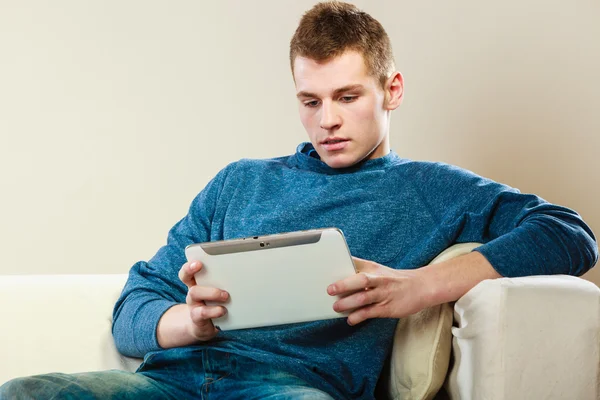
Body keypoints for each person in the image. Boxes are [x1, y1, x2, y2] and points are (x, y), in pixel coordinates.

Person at [1, 1, 597, 399]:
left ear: (392, 90)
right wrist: (188, 322)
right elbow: (135, 304)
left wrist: (418, 286)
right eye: (311, 101)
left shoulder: (431, 189)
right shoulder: (240, 182)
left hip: (292, 387)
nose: (328, 121)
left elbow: (570, 234)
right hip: (173, 382)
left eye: (347, 96)